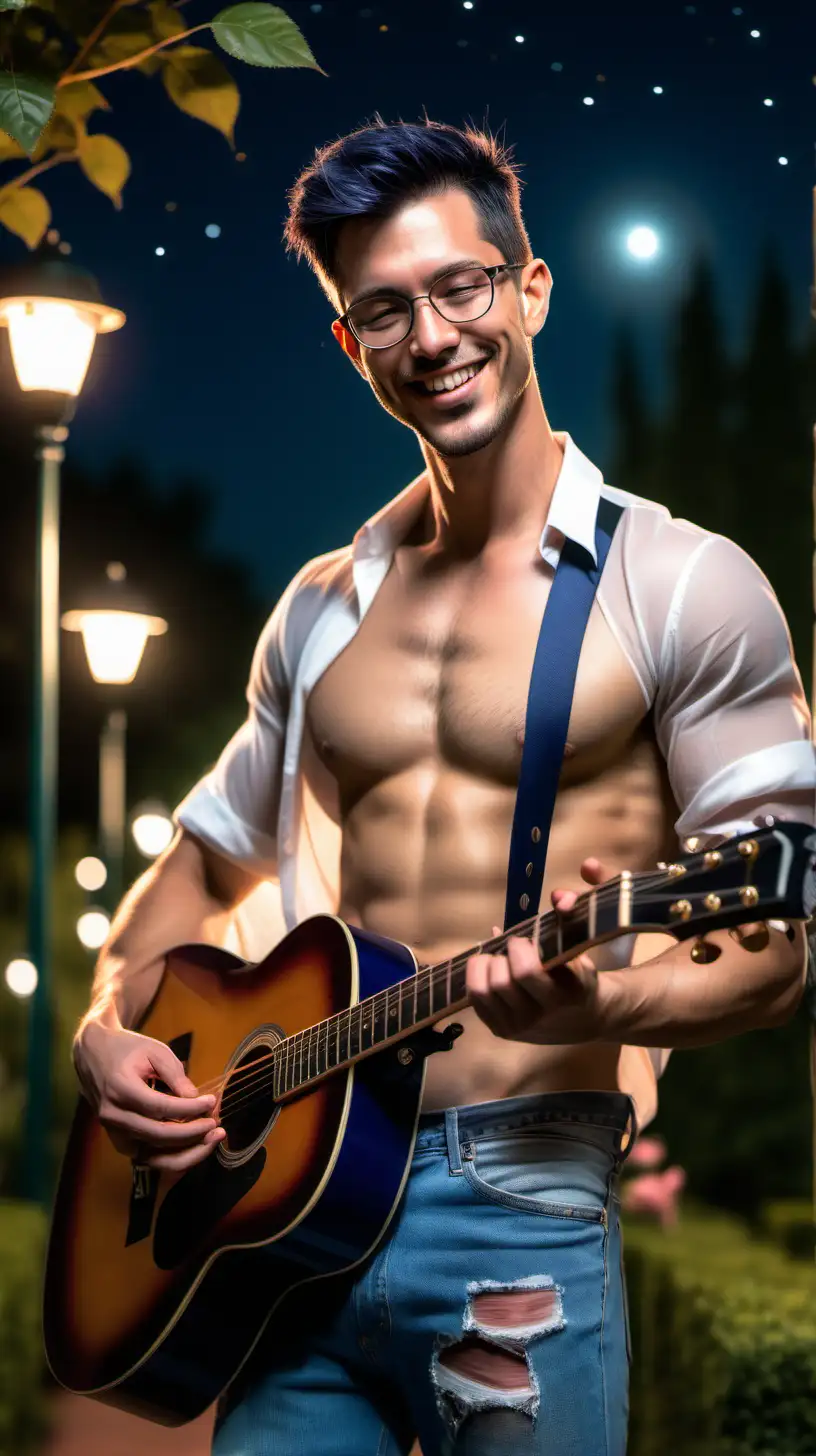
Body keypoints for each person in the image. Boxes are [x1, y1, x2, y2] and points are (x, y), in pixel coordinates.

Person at [72, 119, 814, 1456]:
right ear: (353, 347)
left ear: (528, 289)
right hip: (293, 1207)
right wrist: (104, 1026)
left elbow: (784, 951)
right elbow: (185, 880)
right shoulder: (318, 612)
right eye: (383, 311)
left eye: (462, 286)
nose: (432, 335)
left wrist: (616, 993)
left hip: (518, 1193)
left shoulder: (687, 585)